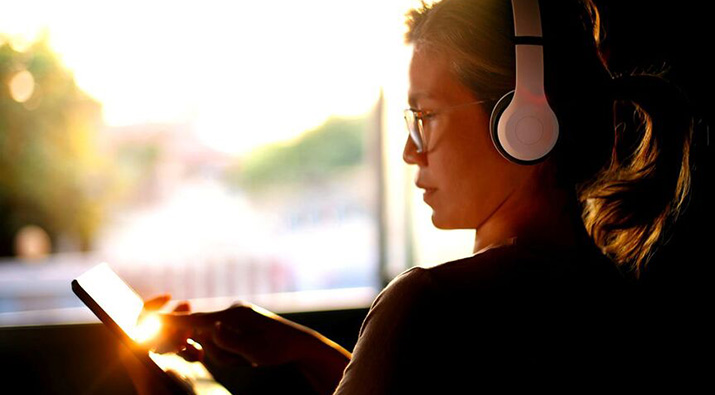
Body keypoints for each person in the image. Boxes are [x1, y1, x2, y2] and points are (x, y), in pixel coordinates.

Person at [122, 0, 694, 393]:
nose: (410, 151)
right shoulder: (621, 295)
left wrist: (164, 390)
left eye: (426, 116)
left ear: (525, 123)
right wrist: (311, 352)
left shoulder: (429, 307)